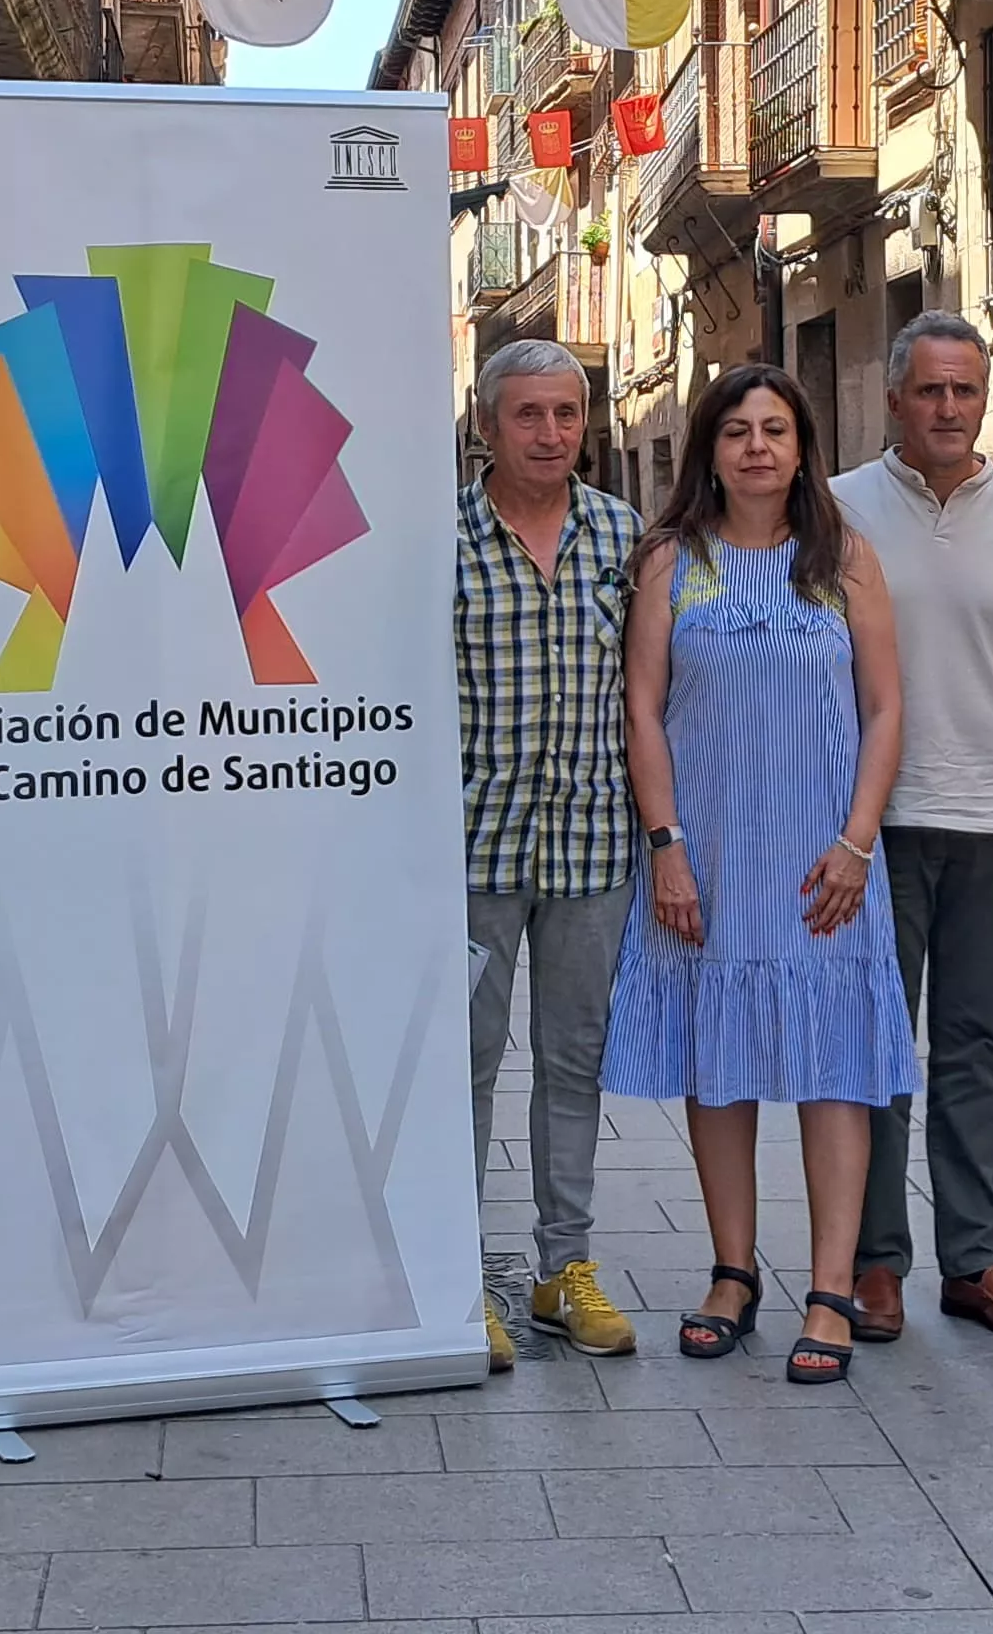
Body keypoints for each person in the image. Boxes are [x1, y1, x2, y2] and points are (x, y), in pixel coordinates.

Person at [602, 364, 915, 1386]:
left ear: (802, 445)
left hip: (825, 857)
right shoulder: (670, 562)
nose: (756, 447)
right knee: (719, 1061)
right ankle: (733, 1271)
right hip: (713, 853)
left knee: (834, 1071)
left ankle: (829, 1285)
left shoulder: (844, 558)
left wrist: (858, 839)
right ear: (710, 448)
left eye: (775, 429)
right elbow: (643, 708)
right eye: (736, 429)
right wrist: (667, 844)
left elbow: (884, 707)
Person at [829, 316, 993, 1344]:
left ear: (985, 400)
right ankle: (875, 1261)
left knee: (972, 1046)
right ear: (894, 399)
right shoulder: (841, 509)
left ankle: (974, 1259)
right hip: (877, 824)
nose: (949, 408)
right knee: (876, 1050)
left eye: (965, 392)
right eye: (930, 390)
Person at [455, 339, 643, 1371]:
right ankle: (456, 1275)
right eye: (527, 415)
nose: (550, 434)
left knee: (574, 1066)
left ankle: (563, 1269)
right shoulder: (441, 541)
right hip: (470, 851)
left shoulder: (623, 536)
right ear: (487, 426)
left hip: (590, 849)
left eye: (566, 414)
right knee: (464, 1069)